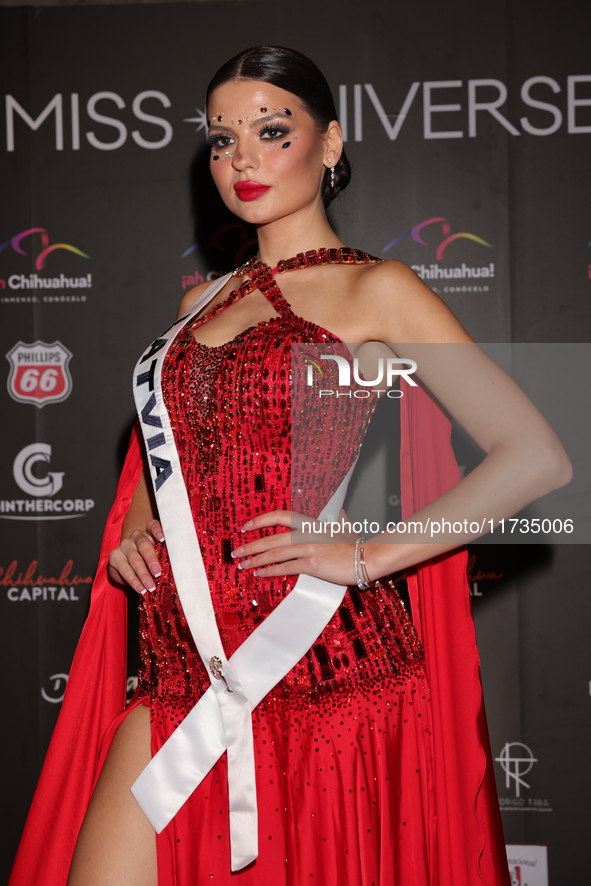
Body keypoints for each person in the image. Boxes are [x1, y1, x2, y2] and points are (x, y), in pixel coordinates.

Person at [10, 46, 571, 886]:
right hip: (183, 663)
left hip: (328, 672)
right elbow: (173, 465)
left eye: (272, 131)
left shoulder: (376, 289)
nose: (241, 158)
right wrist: (137, 531)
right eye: (220, 139)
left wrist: (368, 555)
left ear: (332, 143)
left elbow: (538, 457)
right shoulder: (193, 306)